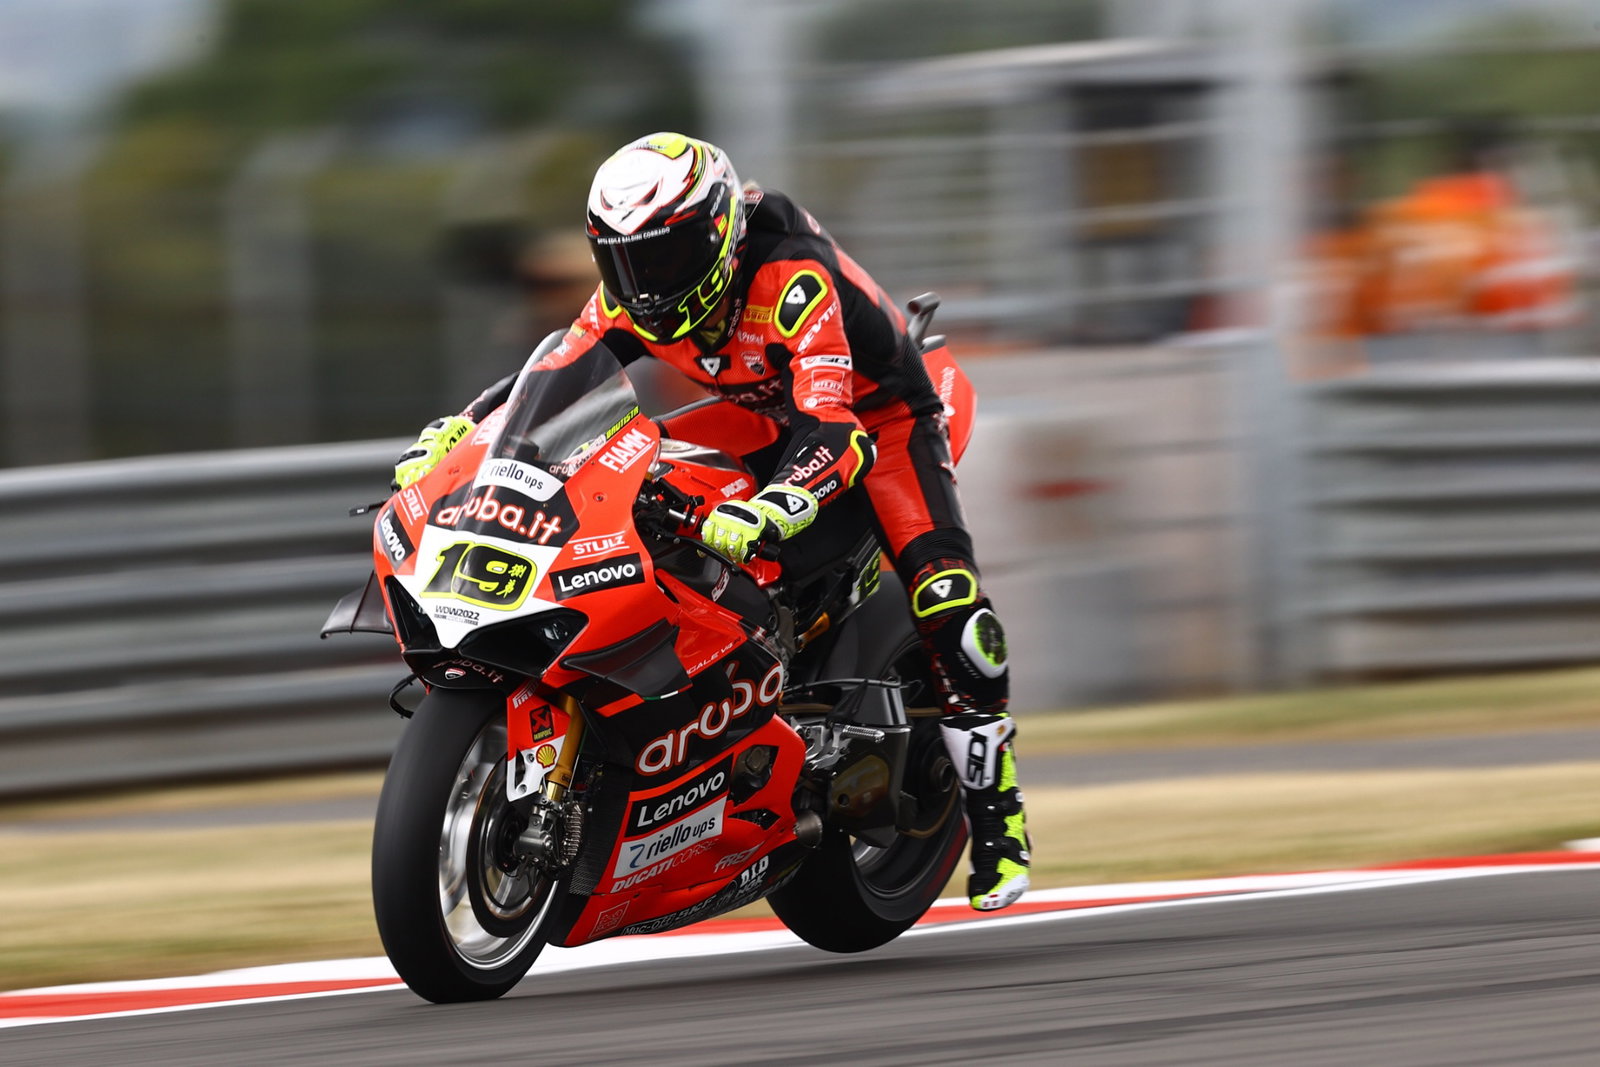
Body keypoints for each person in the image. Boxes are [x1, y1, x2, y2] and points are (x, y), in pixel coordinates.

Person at [394, 132, 1030, 911]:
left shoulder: (792, 278)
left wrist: (775, 505)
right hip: (758, 411)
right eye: (626, 261)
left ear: (721, 235)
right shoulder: (630, 294)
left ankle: (997, 822)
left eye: (666, 257)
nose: (647, 282)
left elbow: (834, 426)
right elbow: (557, 376)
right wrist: (468, 431)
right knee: (657, 499)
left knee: (948, 606)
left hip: (878, 422)